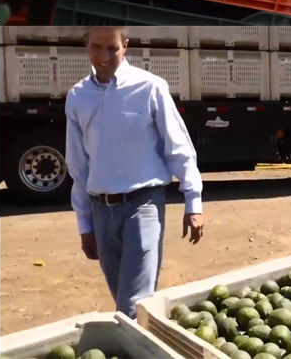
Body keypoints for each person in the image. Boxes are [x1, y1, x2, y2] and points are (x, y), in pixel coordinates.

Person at [65, 27, 205, 318]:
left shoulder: (150, 88)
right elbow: (79, 166)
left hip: (144, 206)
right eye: (95, 47)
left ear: (125, 46)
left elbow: (178, 148)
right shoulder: (78, 96)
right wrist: (84, 224)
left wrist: (193, 202)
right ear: (86, 46)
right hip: (102, 211)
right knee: (126, 299)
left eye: (112, 48)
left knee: (131, 305)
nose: (103, 57)